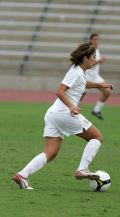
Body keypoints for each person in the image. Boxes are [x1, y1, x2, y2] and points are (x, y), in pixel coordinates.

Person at [13, 43, 113, 190]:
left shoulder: (79, 72)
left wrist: (101, 85)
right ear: (85, 58)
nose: (94, 60)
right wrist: (71, 106)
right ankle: (82, 169)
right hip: (64, 114)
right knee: (97, 137)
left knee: (50, 153)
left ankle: (22, 175)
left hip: (53, 114)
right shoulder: (76, 72)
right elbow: (60, 91)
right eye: (93, 57)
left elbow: (82, 83)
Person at [86, 33, 112, 120]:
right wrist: (99, 61)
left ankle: (96, 110)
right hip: (86, 77)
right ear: (91, 40)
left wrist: (100, 60)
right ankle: (67, 111)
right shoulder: (89, 50)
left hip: (95, 77)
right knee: (77, 97)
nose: (96, 41)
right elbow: (87, 64)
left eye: (98, 39)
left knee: (108, 91)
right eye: (94, 39)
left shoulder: (97, 50)